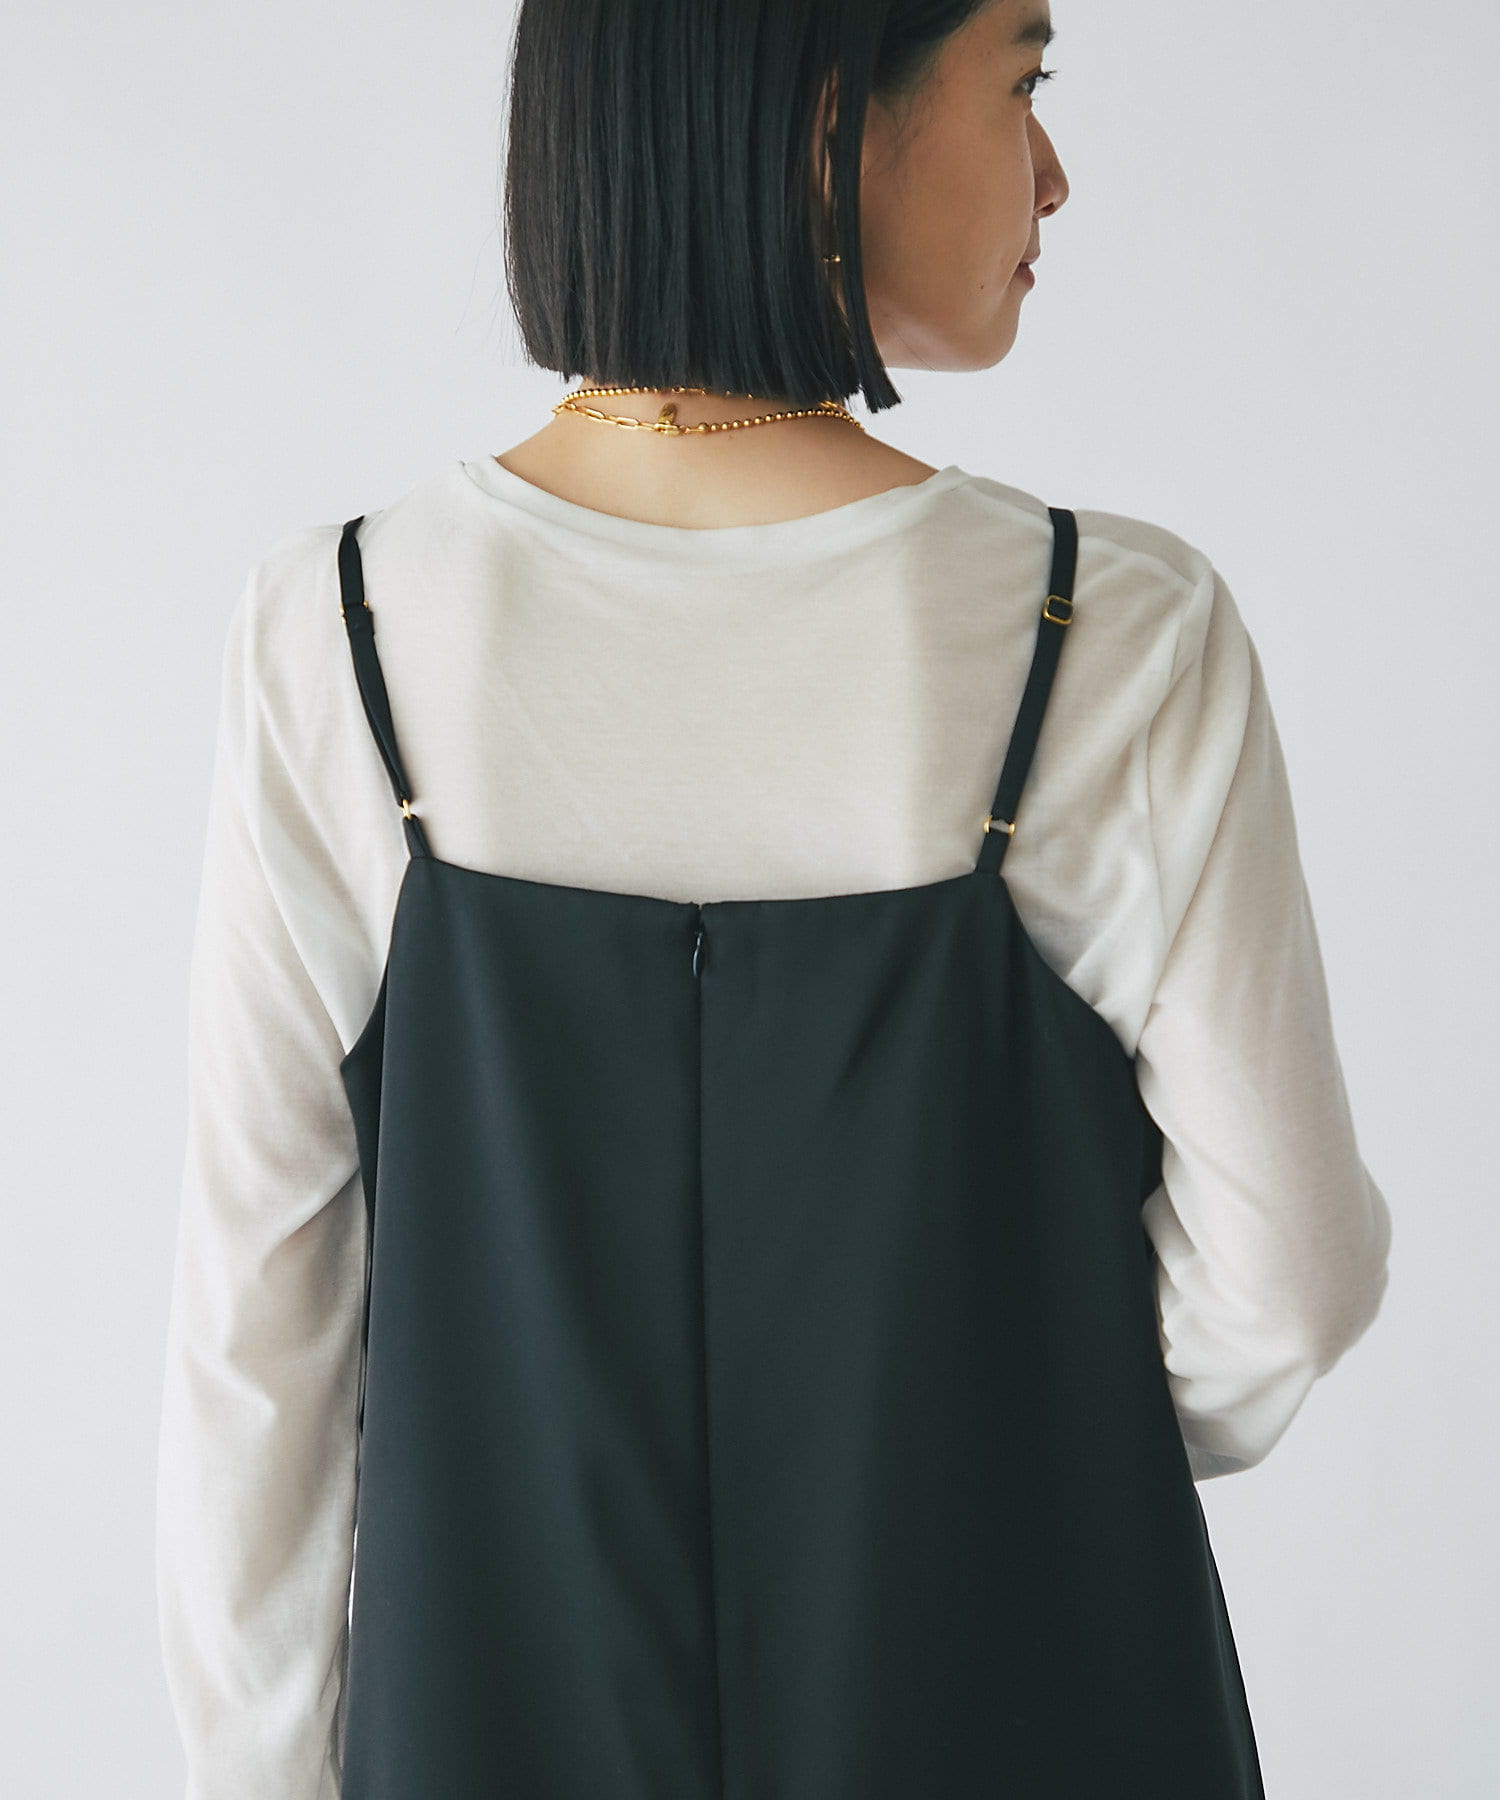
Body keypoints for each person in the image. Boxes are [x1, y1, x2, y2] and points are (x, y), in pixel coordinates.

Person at [154, 2, 1392, 1796]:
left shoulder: (339, 636)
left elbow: (257, 1359)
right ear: (830, 119)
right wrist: (1029, 1427)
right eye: (1025, 79)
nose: (1055, 172)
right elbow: (1293, 1280)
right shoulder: (1115, 636)